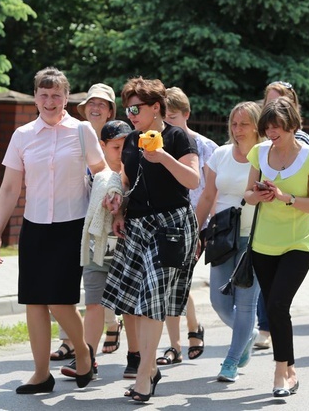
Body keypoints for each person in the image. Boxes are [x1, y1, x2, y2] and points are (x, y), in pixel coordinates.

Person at [0, 67, 111, 394]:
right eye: (43, 95)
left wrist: (109, 194)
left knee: (60, 302)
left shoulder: (82, 131)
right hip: (35, 227)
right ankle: (41, 374)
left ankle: (83, 353)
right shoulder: (23, 135)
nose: (50, 101)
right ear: (35, 98)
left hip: (72, 227)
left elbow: (101, 170)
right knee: (34, 303)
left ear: (66, 97)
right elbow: (10, 186)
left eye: (56, 95)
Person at [101, 77, 200, 403]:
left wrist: (164, 158)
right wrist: (119, 209)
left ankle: (145, 372)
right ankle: (148, 369)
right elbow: (128, 181)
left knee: (153, 299)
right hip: (137, 226)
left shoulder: (177, 137)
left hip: (170, 227)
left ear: (156, 107)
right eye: (128, 107)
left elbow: (192, 178)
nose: (130, 114)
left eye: (136, 108)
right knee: (138, 303)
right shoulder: (130, 140)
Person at [244, 96, 309, 398]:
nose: (271, 133)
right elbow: (248, 193)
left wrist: (286, 197)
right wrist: (259, 195)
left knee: (278, 305)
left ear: (291, 125)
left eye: (276, 127)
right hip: (263, 244)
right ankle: (290, 367)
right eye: (267, 128)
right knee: (277, 309)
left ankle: (281, 372)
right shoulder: (258, 152)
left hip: (298, 243)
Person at [52, 83, 123, 361]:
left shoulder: (120, 138)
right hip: (71, 218)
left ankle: (111, 324)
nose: (95, 108)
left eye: (102, 104)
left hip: (103, 225)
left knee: (97, 284)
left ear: (110, 111)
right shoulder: (72, 134)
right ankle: (68, 339)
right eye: (91, 103)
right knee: (66, 280)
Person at [60, 120, 135, 379]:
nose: (122, 151)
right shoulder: (94, 175)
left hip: (126, 245)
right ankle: (88, 358)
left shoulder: (137, 172)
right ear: (102, 146)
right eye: (116, 147)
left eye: (126, 146)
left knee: (128, 306)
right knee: (93, 303)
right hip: (97, 245)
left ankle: (135, 357)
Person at [195, 101, 262, 383]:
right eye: (234, 123)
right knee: (219, 302)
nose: (237, 129)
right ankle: (249, 333)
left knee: (245, 304)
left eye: (244, 124)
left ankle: (231, 361)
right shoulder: (220, 155)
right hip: (222, 235)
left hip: (256, 236)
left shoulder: (266, 156)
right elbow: (208, 196)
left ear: (257, 126)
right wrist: (195, 231)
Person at [153, 87, 217, 365]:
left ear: (186, 115)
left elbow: (211, 191)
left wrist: (204, 229)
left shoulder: (205, 147)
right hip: (165, 222)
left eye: (173, 116)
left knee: (177, 281)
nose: (168, 121)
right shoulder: (155, 142)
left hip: (195, 223)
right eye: (164, 115)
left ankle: (183, 336)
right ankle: (183, 337)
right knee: (172, 281)